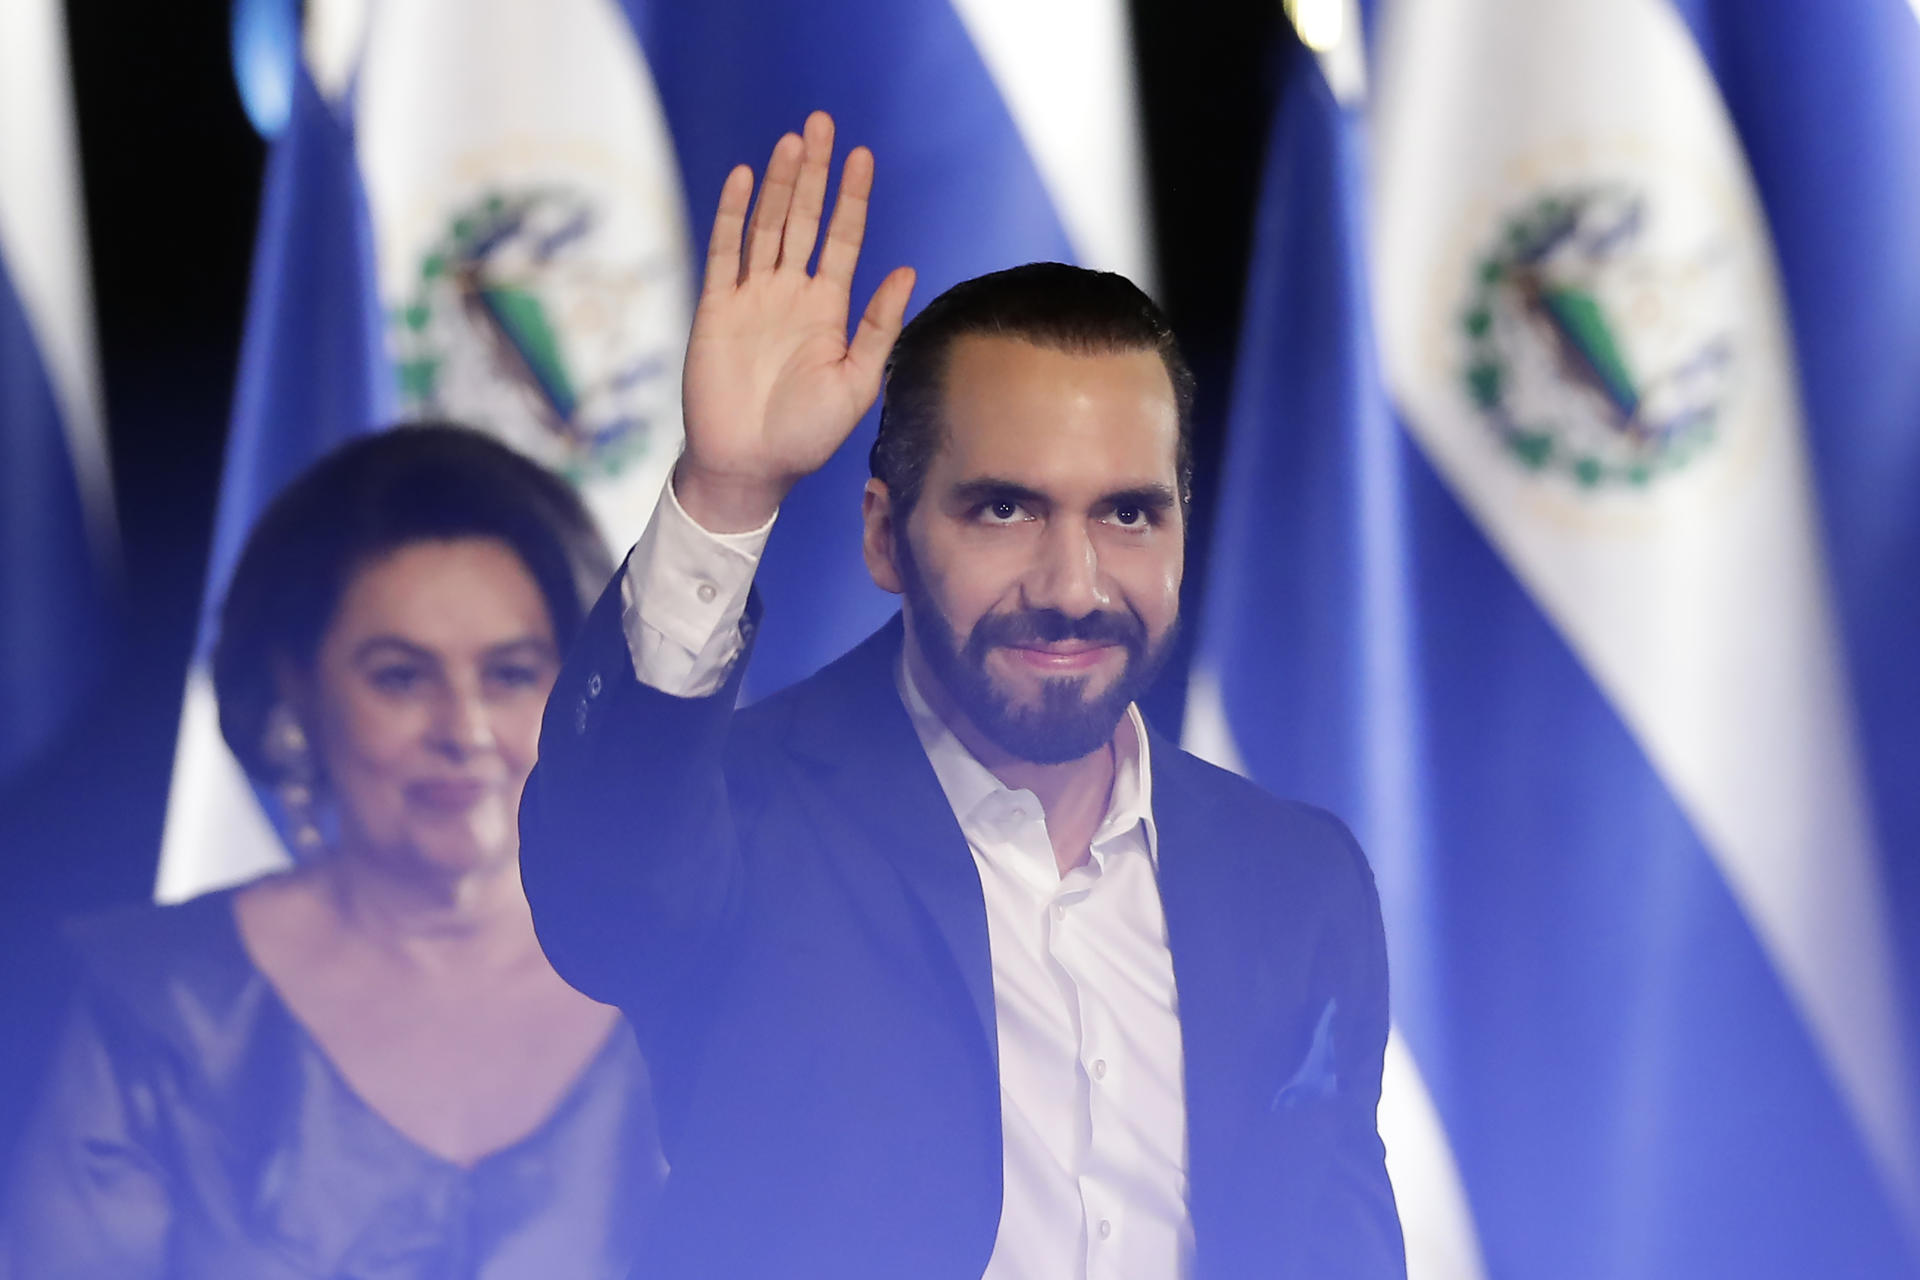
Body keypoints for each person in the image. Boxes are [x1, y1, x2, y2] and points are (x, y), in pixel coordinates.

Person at [522, 113, 1405, 1279]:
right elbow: (604, 894)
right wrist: (726, 490)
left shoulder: (1299, 877)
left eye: (1128, 512)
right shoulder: (744, 812)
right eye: (1005, 508)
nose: (1073, 583)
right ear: (887, 533)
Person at [0, 425, 665, 1278]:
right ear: (295, 690)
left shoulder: (687, 976)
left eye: (509, 674)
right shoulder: (156, 1001)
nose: (463, 731)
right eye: (400, 676)